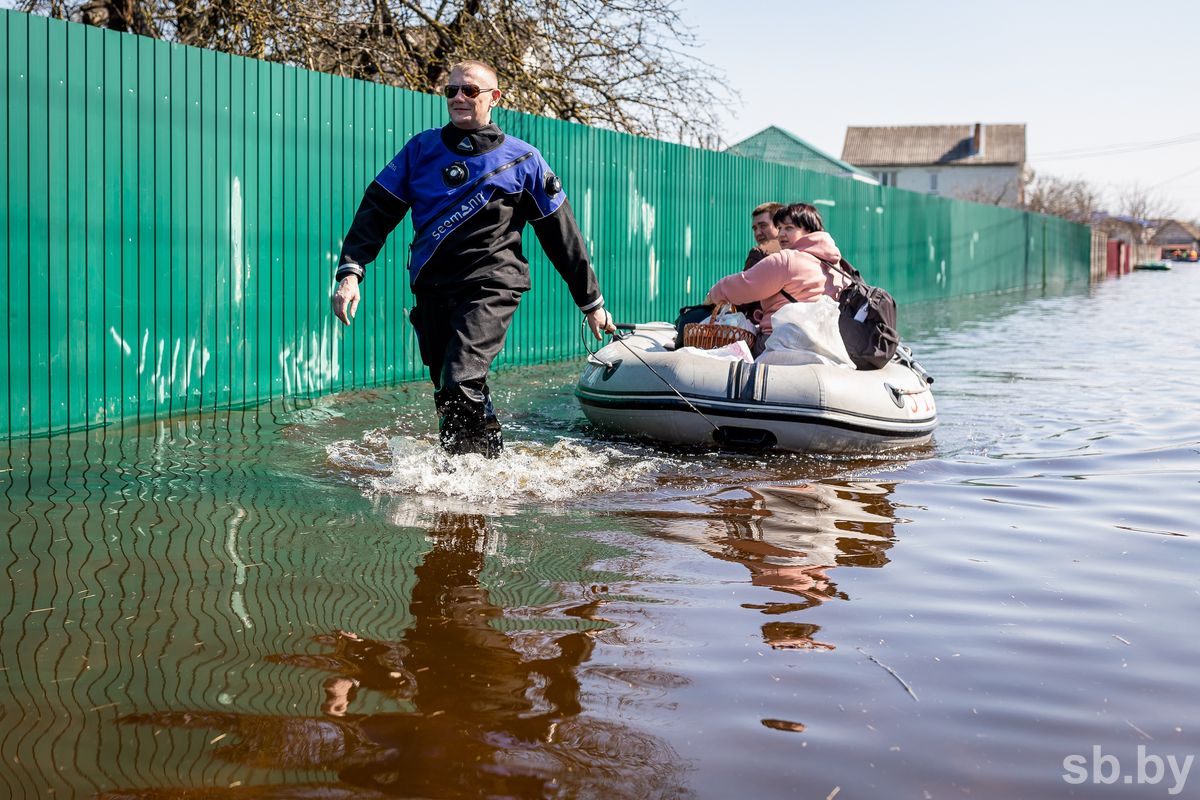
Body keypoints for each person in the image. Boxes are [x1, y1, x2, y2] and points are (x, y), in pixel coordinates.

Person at [330, 59, 615, 457]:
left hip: (491, 287)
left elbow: (561, 235)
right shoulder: (420, 150)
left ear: (494, 98)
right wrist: (351, 273)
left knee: (459, 376)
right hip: (431, 288)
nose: (459, 98)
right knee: (451, 384)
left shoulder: (523, 160)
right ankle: (489, 464)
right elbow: (376, 212)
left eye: (470, 90)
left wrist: (592, 302)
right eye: (451, 91)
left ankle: (462, 479)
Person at [704, 202, 847, 353]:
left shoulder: (787, 260)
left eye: (789, 228)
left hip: (778, 342)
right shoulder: (836, 265)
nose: (781, 234)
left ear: (809, 230)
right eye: (779, 228)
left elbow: (744, 285)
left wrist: (712, 295)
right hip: (824, 346)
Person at [744, 201, 783, 270]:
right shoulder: (801, 251)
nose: (757, 233)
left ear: (779, 226)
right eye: (755, 228)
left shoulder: (758, 253)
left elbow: (744, 280)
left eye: (763, 226)